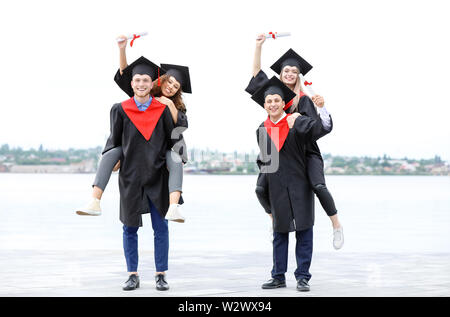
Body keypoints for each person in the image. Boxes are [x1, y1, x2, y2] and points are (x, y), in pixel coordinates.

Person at [76, 35, 190, 223]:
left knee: (175, 161)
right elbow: (127, 76)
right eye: (169, 82)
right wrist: (122, 49)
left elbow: (180, 128)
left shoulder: (172, 106)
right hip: (135, 149)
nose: (171, 87)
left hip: (161, 150)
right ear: (160, 80)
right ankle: (94, 201)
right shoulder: (143, 92)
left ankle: (174, 208)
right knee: (110, 154)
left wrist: (168, 104)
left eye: (176, 87)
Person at [246, 34, 344, 250]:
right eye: (286, 71)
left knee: (317, 185)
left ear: (299, 75)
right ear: (280, 74)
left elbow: (317, 129)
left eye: (294, 71)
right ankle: (274, 219)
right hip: (277, 151)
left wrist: (304, 117)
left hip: (306, 151)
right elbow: (256, 75)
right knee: (262, 187)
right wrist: (258, 46)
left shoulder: (304, 100)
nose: (290, 73)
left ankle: (336, 224)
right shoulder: (275, 96)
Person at [94, 55, 178, 291]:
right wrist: (112, 158)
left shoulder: (162, 110)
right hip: (130, 176)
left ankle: (161, 274)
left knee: (160, 227)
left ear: (153, 84)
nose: (141, 84)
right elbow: (114, 139)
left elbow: (173, 139)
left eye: (146, 80)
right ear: (131, 84)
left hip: (157, 175)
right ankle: (132, 274)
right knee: (129, 227)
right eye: (137, 80)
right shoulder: (120, 109)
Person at [252, 76, 329, 292]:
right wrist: (263, 189)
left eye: (277, 100)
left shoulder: (296, 121)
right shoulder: (262, 129)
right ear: (265, 105)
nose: (273, 104)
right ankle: (278, 276)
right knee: (280, 232)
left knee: (304, 231)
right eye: (269, 101)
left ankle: (303, 277)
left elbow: (320, 130)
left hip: (300, 183)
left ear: (282, 102)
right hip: (277, 184)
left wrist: (322, 109)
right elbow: (267, 162)